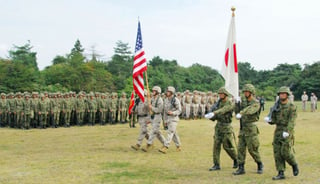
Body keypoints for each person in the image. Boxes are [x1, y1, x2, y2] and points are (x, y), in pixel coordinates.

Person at [264, 86, 299, 180]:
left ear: (287, 95)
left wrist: (287, 131)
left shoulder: (292, 107)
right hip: (278, 131)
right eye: (280, 94)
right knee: (277, 152)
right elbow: (274, 120)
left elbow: (292, 121)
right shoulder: (276, 106)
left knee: (285, 152)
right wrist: (269, 120)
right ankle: (281, 172)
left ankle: (294, 164)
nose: (282, 95)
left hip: (287, 131)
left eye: (283, 94)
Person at [233, 84, 264, 175]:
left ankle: (259, 164)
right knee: (240, 148)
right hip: (243, 128)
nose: (246, 93)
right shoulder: (243, 102)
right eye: (245, 92)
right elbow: (237, 112)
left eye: (247, 92)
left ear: (251, 93)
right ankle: (241, 167)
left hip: (251, 128)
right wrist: (237, 104)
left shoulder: (256, 103)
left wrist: (242, 113)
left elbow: (250, 110)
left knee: (252, 149)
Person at [205, 87, 238, 171]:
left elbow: (224, 110)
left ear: (225, 94)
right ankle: (216, 164)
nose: (220, 95)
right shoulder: (218, 103)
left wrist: (214, 112)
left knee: (228, 146)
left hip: (226, 127)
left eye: (221, 94)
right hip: (219, 126)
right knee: (216, 145)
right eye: (219, 94)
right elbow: (216, 113)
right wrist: (211, 116)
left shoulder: (229, 103)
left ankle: (236, 159)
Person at [142, 86, 166, 152]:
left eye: (154, 91)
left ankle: (148, 145)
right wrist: (147, 99)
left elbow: (159, 110)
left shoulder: (160, 100)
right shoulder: (152, 98)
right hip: (152, 117)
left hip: (157, 117)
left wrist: (151, 107)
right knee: (158, 133)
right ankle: (165, 144)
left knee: (153, 131)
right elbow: (147, 105)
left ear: (158, 92)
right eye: (152, 91)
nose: (153, 92)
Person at [159, 86, 182, 154]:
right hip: (168, 119)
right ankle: (178, 145)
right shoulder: (166, 100)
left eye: (168, 91)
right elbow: (165, 112)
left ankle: (165, 146)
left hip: (174, 118)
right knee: (174, 133)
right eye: (167, 91)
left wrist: (173, 113)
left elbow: (179, 110)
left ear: (172, 92)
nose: (167, 92)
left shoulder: (175, 100)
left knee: (170, 132)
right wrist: (165, 121)